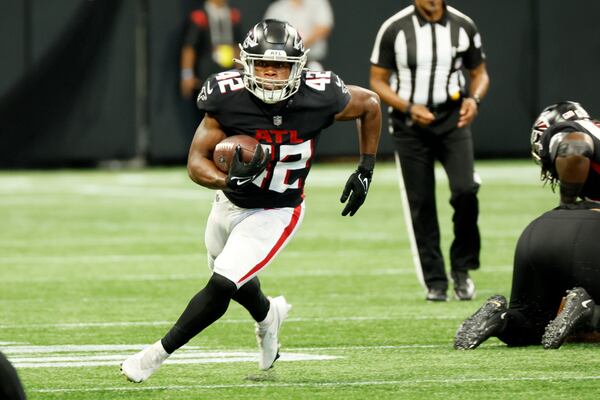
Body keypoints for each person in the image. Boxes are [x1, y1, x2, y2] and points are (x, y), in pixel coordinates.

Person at [121, 19, 381, 382]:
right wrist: (225, 178)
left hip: (277, 209)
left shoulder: (320, 94)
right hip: (228, 203)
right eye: (263, 64)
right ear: (246, 63)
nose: (272, 74)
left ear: (298, 67)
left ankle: (152, 357)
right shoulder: (226, 97)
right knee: (234, 277)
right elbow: (196, 161)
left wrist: (365, 168)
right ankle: (269, 315)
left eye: (281, 66)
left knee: (223, 283)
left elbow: (370, 103)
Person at [454, 101, 600, 350]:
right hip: (589, 233)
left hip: (541, 231)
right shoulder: (580, 129)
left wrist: (566, 204)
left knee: (531, 321)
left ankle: (501, 319)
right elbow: (575, 145)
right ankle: (590, 312)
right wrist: (568, 202)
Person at [369, 0, 490, 302]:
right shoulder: (394, 28)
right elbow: (377, 81)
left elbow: (480, 73)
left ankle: (462, 269)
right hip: (411, 123)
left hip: (452, 119)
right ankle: (436, 281)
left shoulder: (463, 25)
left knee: (465, 189)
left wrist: (474, 100)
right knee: (421, 202)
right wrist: (408, 107)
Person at [180, 0, 244, 100]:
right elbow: (190, 47)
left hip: (229, 74)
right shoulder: (199, 16)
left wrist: (242, 72)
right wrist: (187, 75)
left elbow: (237, 46)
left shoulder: (233, 15)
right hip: (205, 75)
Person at [263, 0, 333, 71]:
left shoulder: (318, 2)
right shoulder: (277, 8)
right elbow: (267, 33)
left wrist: (299, 45)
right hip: (284, 62)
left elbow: (323, 28)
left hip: (312, 60)